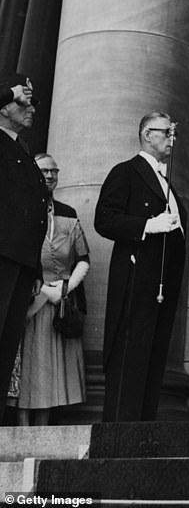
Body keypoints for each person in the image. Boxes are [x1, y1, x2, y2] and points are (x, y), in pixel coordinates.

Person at [95, 112, 186, 421]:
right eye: (166, 132)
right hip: (137, 278)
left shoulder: (166, 182)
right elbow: (104, 219)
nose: (172, 138)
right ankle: (120, 436)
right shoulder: (126, 172)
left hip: (161, 282)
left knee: (152, 356)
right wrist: (148, 225)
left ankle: (142, 433)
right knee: (130, 355)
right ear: (148, 135)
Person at [12, 153, 90, 424]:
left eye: (54, 171)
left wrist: (65, 289)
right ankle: (22, 427)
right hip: (28, 301)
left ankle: (43, 427)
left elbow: (83, 259)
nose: (50, 176)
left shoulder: (68, 213)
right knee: (27, 366)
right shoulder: (19, 208)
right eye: (44, 171)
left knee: (50, 370)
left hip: (59, 304)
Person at [0, 73, 48, 424]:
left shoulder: (23, 151)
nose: (31, 108)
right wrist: (8, 91)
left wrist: (36, 269)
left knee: (6, 345)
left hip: (21, 262)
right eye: (23, 102)